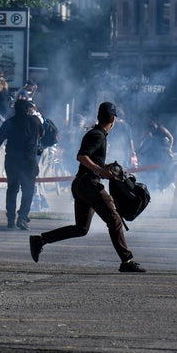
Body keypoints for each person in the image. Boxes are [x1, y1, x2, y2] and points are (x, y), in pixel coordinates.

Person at [28, 102, 143, 273]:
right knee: (115, 220)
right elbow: (81, 156)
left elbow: (90, 159)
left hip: (82, 184)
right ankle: (127, 261)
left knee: (81, 228)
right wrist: (99, 170)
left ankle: (40, 240)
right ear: (113, 118)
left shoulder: (96, 134)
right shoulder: (98, 135)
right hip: (89, 184)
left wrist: (106, 167)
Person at [0, 99, 43, 230]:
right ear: (28, 109)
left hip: (12, 161)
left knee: (12, 190)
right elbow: (42, 134)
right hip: (29, 162)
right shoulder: (35, 121)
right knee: (28, 191)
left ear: (14, 109)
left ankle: (11, 219)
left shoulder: (9, 123)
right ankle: (22, 217)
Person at [137, 119, 174, 191]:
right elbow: (142, 140)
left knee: (164, 169)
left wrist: (170, 148)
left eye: (153, 127)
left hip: (164, 150)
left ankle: (164, 185)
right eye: (150, 127)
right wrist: (139, 149)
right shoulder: (149, 131)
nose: (152, 129)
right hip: (156, 152)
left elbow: (171, 138)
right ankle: (156, 185)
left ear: (156, 125)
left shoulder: (162, 129)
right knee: (155, 169)